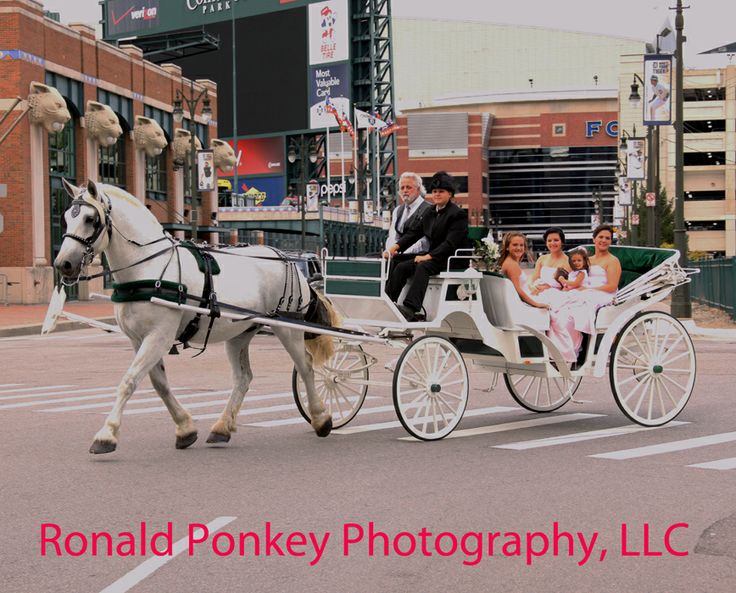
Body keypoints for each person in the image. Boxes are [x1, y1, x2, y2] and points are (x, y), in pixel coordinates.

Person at [385, 171, 471, 321]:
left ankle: (410, 308)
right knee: (399, 263)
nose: (437, 194)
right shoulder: (430, 212)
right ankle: (388, 301)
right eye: (435, 191)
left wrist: (428, 256)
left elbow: (450, 243)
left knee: (423, 266)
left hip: (451, 257)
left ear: (449, 194)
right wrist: (394, 249)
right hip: (434, 256)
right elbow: (414, 233)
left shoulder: (457, 214)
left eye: (441, 192)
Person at [549, 224, 622, 364]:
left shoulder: (612, 261)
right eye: (600, 237)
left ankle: (575, 350)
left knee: (578, 309)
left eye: (607, 238)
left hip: (603, 293)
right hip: (583, 291)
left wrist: (588, 290)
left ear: (611, 241)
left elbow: (612, 286)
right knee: (560, 309)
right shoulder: (588, 259)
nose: (604, 240)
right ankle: (560, 349)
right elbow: (567, 272)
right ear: (594, 239)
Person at [384, 172, 432, 257]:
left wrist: (402, 253)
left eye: (408, 187)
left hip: (418, 257)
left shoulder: (429, 209)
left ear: (418, 189)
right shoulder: (397, 210)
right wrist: (390, 250)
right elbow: (393, 235)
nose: (405, 190)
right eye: (402, 188)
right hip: (396, 255)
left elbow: (424, 241)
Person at [498, 232, 550, 310]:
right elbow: (518, 291)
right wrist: (537, 304)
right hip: (521, 304)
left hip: (527, 296)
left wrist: (533, 288)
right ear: (507, 247)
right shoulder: (512, 265)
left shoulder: (510, 262)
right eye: (515, 245)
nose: (519, 248)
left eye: (521, 245)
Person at [527, 227, 570, 310]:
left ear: (562, 242)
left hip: (554, 295)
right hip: (536, 290)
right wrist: (532, 286)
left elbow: (567, 287)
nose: (552, 243)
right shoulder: (542, 259)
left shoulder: (568, 261)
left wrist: (548, 289)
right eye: (549, 240)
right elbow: (533, 278)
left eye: (556, 240)